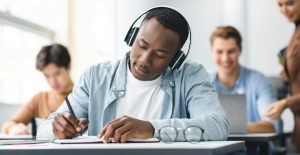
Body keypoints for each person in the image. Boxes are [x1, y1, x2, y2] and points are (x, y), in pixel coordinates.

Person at [37, 7, 229, 142]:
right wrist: (57, 129)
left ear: (175, 59)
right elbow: (44, 130)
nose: (145, 59)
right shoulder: (95, 77)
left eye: (160, 54)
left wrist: (152, 129)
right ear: (132, 37)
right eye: (142, 45)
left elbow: (217, 125)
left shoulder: (190, 75)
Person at [209, 26, 280, 133]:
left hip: (252, 148)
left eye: (231, 51)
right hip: (214, 148)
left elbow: (273, 126)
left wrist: (233, 128)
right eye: (219, 52)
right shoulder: (203, 82)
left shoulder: (258, 81)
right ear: (212, 52)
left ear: (240, 51)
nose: (225, 58)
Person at [1, 44, 74, 135]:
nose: (53, 81)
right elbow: (8, 124)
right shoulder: (40, 99)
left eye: (57, 73)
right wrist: (14, 128)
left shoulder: (82, 96)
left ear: (69, 67)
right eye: (47, 75)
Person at [266, 0, 300, 151]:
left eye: (290, 3)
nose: (284, 9)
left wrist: (285, 103)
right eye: (280, 5)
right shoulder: (296, 29)